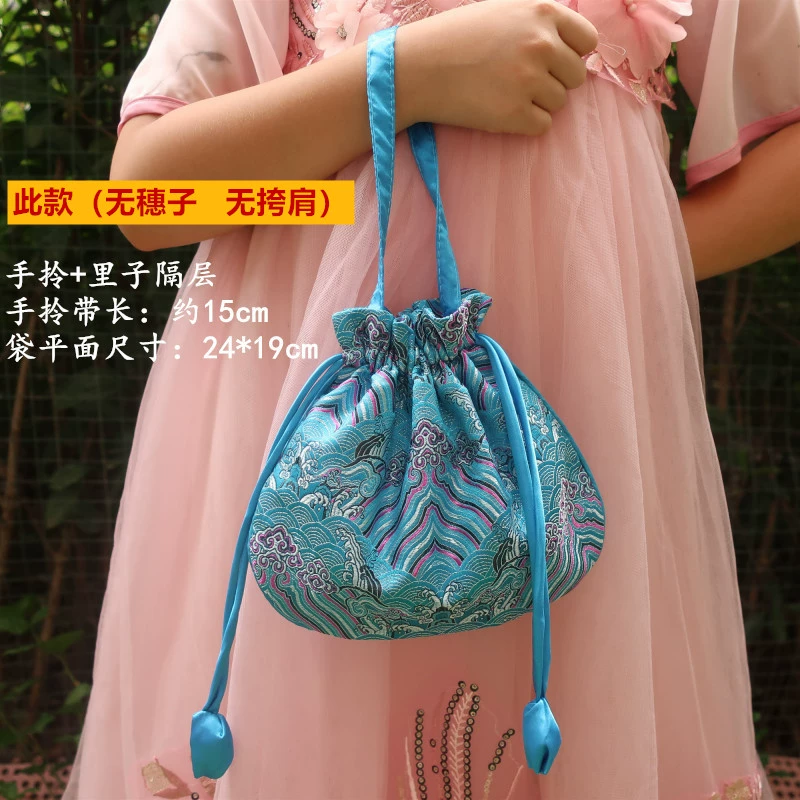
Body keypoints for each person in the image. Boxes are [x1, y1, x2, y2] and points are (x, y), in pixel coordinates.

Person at [62, 0, 800, 797]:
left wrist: (630, 253)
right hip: (314, 443)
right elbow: (145, 192)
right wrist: (403, 74)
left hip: (578, 413)